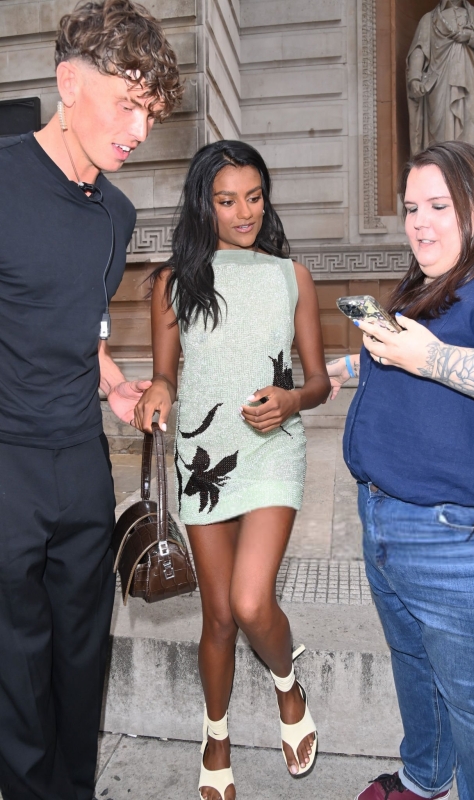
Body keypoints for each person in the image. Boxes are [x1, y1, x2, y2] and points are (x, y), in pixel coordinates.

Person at [0, 3, 181, 799]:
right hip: (4, 462)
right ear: (70, 83)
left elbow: (84, 322)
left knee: (82, 652)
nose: (139, 130)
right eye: (127, 104)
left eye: (151, 112)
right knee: (14, 659)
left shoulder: (117, 212)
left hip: (79, 462)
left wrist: (112, 383)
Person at [327, 141, 474, 800]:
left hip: (467, 543)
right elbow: (430, 357)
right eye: (411, 207)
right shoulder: (433, 277)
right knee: (415, 668)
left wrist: (430, 359)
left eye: (438, 206)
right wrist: (360, 364)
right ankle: (423, 776)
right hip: (387, 522)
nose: (419, 222)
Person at [134, 140, 330, 800]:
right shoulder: (171, 282)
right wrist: (159, 389)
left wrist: (292, 400)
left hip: (273, 447)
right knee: (217, 616)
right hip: (202, 456)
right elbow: (166, 372)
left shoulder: (290, 276)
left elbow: (320, 381)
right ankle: (214, 735)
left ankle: (286, 683)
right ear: (202, 204)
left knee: (250, 602)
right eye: (226, 200)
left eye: (253, 196)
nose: (243, 212)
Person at [406, 0, 474, 156]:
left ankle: (470, 169)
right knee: (441, 130)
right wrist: (414, 77)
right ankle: (441, 169)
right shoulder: (429, 19)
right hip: (439, 82)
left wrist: (470, 37)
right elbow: (419, 49)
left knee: (471, 122)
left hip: (469, 79)